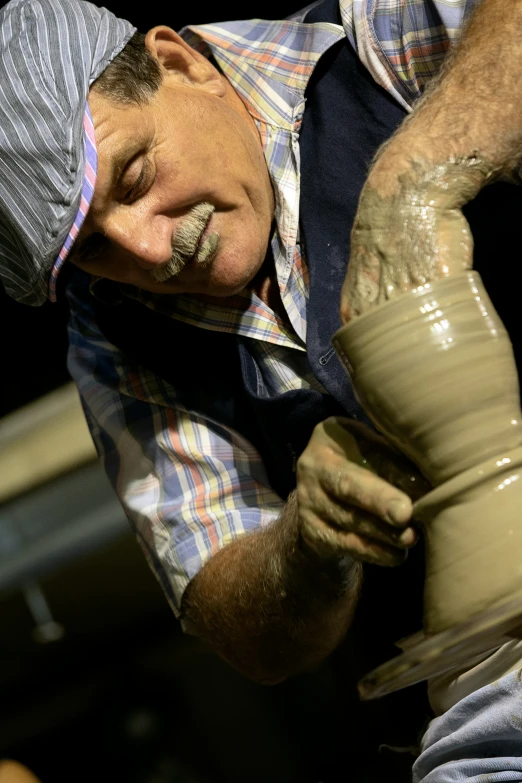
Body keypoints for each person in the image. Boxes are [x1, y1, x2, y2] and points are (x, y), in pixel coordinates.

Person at [1, 0, 522, 778]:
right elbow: (243, 627)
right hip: (491, 681)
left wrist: (421, 168)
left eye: (136, 174)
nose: (149, 247)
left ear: (180, 64)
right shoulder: (115, 338)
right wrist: (304, 546)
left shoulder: (369, 47)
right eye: (93, 253)